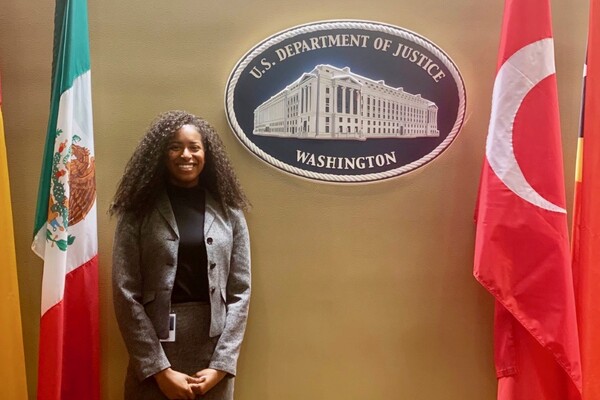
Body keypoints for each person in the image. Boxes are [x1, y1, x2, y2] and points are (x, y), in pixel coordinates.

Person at [110, 110, 251, 399]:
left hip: (212, 358)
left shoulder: (230, 212)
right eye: (175, 147)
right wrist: (158, 369)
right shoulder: (137, 211)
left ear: (206, 154)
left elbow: (240, 293)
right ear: (160, 155)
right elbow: (125, 292)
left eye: (194, 147)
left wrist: (221, 366)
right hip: (153, 356)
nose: (185, 154)